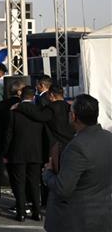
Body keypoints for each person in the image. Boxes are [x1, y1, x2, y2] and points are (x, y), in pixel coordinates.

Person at [42, 94, 112, 232]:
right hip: (103, 217)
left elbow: (63, 188)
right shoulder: (108, 138)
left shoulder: (76, 147)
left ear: (74, 116)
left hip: (77, 220)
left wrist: (47, 173)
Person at [4, 86, 43, 222]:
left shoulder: (14, 112)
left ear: (21, 95)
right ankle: (37, 212)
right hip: (35, 152)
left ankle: (21, 212)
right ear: (33, 97)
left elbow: (9, 135)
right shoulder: (39, 112)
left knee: (19, 184)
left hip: (18, 152)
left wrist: (5, 153)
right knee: (34, 183)